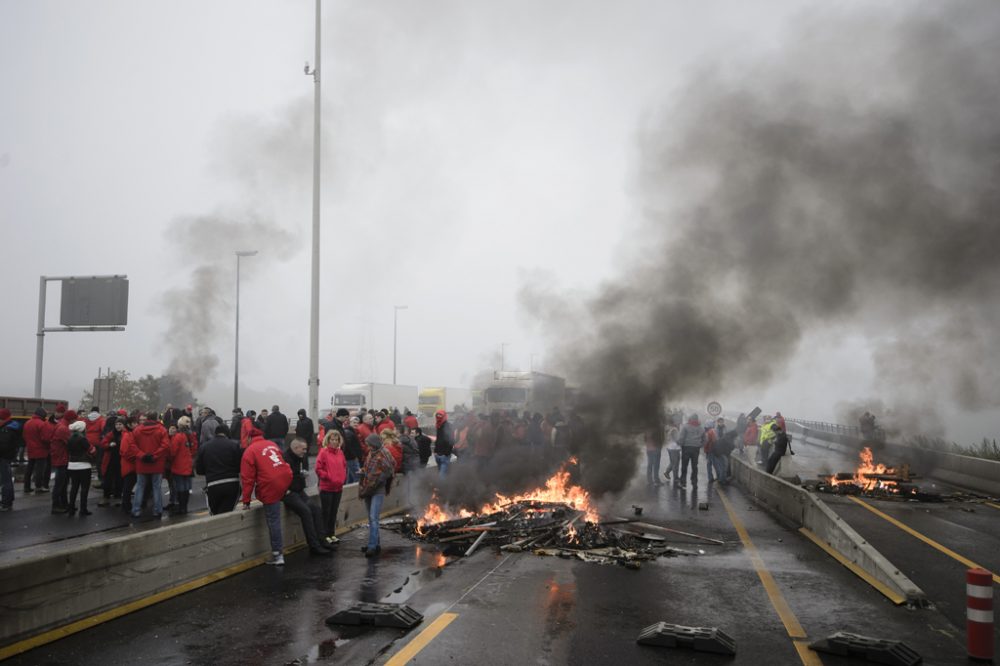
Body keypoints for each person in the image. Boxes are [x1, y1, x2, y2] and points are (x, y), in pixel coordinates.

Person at [241, 425, 293, 565]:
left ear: (250, 437)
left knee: (273, 519)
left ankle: (278, 555)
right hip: (285, 477)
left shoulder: (249, 451)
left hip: (270, 484)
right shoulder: (272, 444)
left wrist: (246, 501)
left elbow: (247, 479)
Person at [282, 437, 334, 557]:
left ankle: (322, 540)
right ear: (295, 448)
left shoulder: (300, 457)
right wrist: (287, 490)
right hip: (289, 493)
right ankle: (314, 546)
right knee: (306, 512)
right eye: (303, 449)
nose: (305, 452)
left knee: (316, 509)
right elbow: (279, 477)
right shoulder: (285, 459)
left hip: (299, 491)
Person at [358, 433, 396, 557]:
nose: (368, 447)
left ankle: (372, 546)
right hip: (368, 488)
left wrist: (378, 480)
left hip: (377, 490)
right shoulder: (371, 454)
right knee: (371, 518)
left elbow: (389, 470)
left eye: (369, 444)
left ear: (374, 444)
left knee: (374, 518)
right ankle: (375, 543)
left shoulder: (383, 454)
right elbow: (368, 468)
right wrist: (363, 471)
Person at [130, 412, 169, 521]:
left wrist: (142, 455)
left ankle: (136, 510)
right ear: (156, 418)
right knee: (156, 487)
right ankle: (157, 510)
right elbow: (165, 445)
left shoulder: (137, 430)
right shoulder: (161, 430)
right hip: (156, 464)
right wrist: (154, 456)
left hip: (142, 463)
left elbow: (132, 445)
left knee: (140, 487)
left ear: (146, 418)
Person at [196, 424, 243, 514]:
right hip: (231, 483)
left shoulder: (204, 447)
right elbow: (239, 466)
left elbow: (199, 470)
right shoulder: (234, 445)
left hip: (213, 484)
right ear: (227, 433)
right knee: (228, 512)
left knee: (215, 514)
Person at [315, 430, 347, 544]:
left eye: (336, 440)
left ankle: (331, 533)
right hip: (327, 487)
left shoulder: (340, 453)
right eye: (332, 440)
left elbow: (344, 467)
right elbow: (318, 468)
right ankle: (324, 535)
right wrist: (327, 476)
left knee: (334, 511)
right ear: (328, 440)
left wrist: (342, 478)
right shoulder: (323, 452)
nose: (334, 442)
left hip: (338, 487)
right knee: (326, 512)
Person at [168, 415, 197, 515]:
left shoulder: (178, 436)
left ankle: (182, 508)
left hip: (178, 464)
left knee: (180, 487)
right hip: (188, 464)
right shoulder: (191, 435)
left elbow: (172, 452)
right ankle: (185, 507)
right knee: (186, 487)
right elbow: (194, 449)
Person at [66, 420, 95, 516]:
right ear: (82, 429)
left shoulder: (69, 438)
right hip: (84, 465)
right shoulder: (82, 438)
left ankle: (71, 508)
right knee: (84, 488)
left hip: (72, 465)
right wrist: (94, 449)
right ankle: (83, 509)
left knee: (74, 487)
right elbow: (90, 449)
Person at [49, 409, 76, 514]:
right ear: (71, 419)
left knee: (63, 483)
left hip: (59, 457)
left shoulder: (61, 424)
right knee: (60, 484)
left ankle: (64, 503)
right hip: (61, 459)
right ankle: (56, 505)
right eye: (74, 419)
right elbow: (71, 443)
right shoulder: (63, 428)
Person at [97, 418, 126, 506]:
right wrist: (109, 445)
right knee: (108, 479)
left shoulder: (125, 434)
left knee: (119, 479)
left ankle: (118, 496)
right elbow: (103, 443)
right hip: (110, 460)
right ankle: (106, 496)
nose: (118, 426)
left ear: (123, 425)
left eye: (120, 424)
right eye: (117, 424)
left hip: (121, 460)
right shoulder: (111, 434)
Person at [23, 407, 50, 495]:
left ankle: (26, 486)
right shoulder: (42, 424)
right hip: (41, 450)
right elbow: (45, 438)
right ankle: (38, 487)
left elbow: (24, 436)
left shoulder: (27, 422)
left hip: (30, 449)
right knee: (40, 470)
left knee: (29, 468)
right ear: (42, 415)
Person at [676, 414, 705, 489]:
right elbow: (705, 439)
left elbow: (681, 438)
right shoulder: (701, 428)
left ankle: (683, 483)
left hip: (686, 448)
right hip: (696, 449)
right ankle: (694, 483)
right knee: (694, 466)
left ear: (690, 419)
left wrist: (678, 443)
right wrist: (700, 445)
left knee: (684, 466)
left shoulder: (685, 427)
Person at [0, 409, 19, 511]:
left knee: (5, 481)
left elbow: (3, 446)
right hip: (8, 457)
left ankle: (6, 502)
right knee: (7, 480)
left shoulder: (6, 430)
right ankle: (8, 500)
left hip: (4, 457)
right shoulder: (12, 427)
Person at [433, 410, 455, 478]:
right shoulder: (439, 425)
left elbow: (451, 440)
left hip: (444, 455)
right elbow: (438, 439)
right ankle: (443, 486)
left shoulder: (448, 426)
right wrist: (436, 451)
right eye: (437, 415)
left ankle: (442, 487)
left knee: (442, 475)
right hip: (438, 454)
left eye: (440, 415)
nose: (438, 417)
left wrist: (446, 453)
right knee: (441, 473)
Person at [663, 419, 681, 484]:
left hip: (670, 448)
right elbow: (677, 440)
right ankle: (676, 478)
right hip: (674, 449)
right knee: (675, 464)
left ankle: (667, 472)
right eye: (678, 422)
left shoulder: (670, 429)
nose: (679, 423)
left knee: (673, 462)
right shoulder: (674, 430)